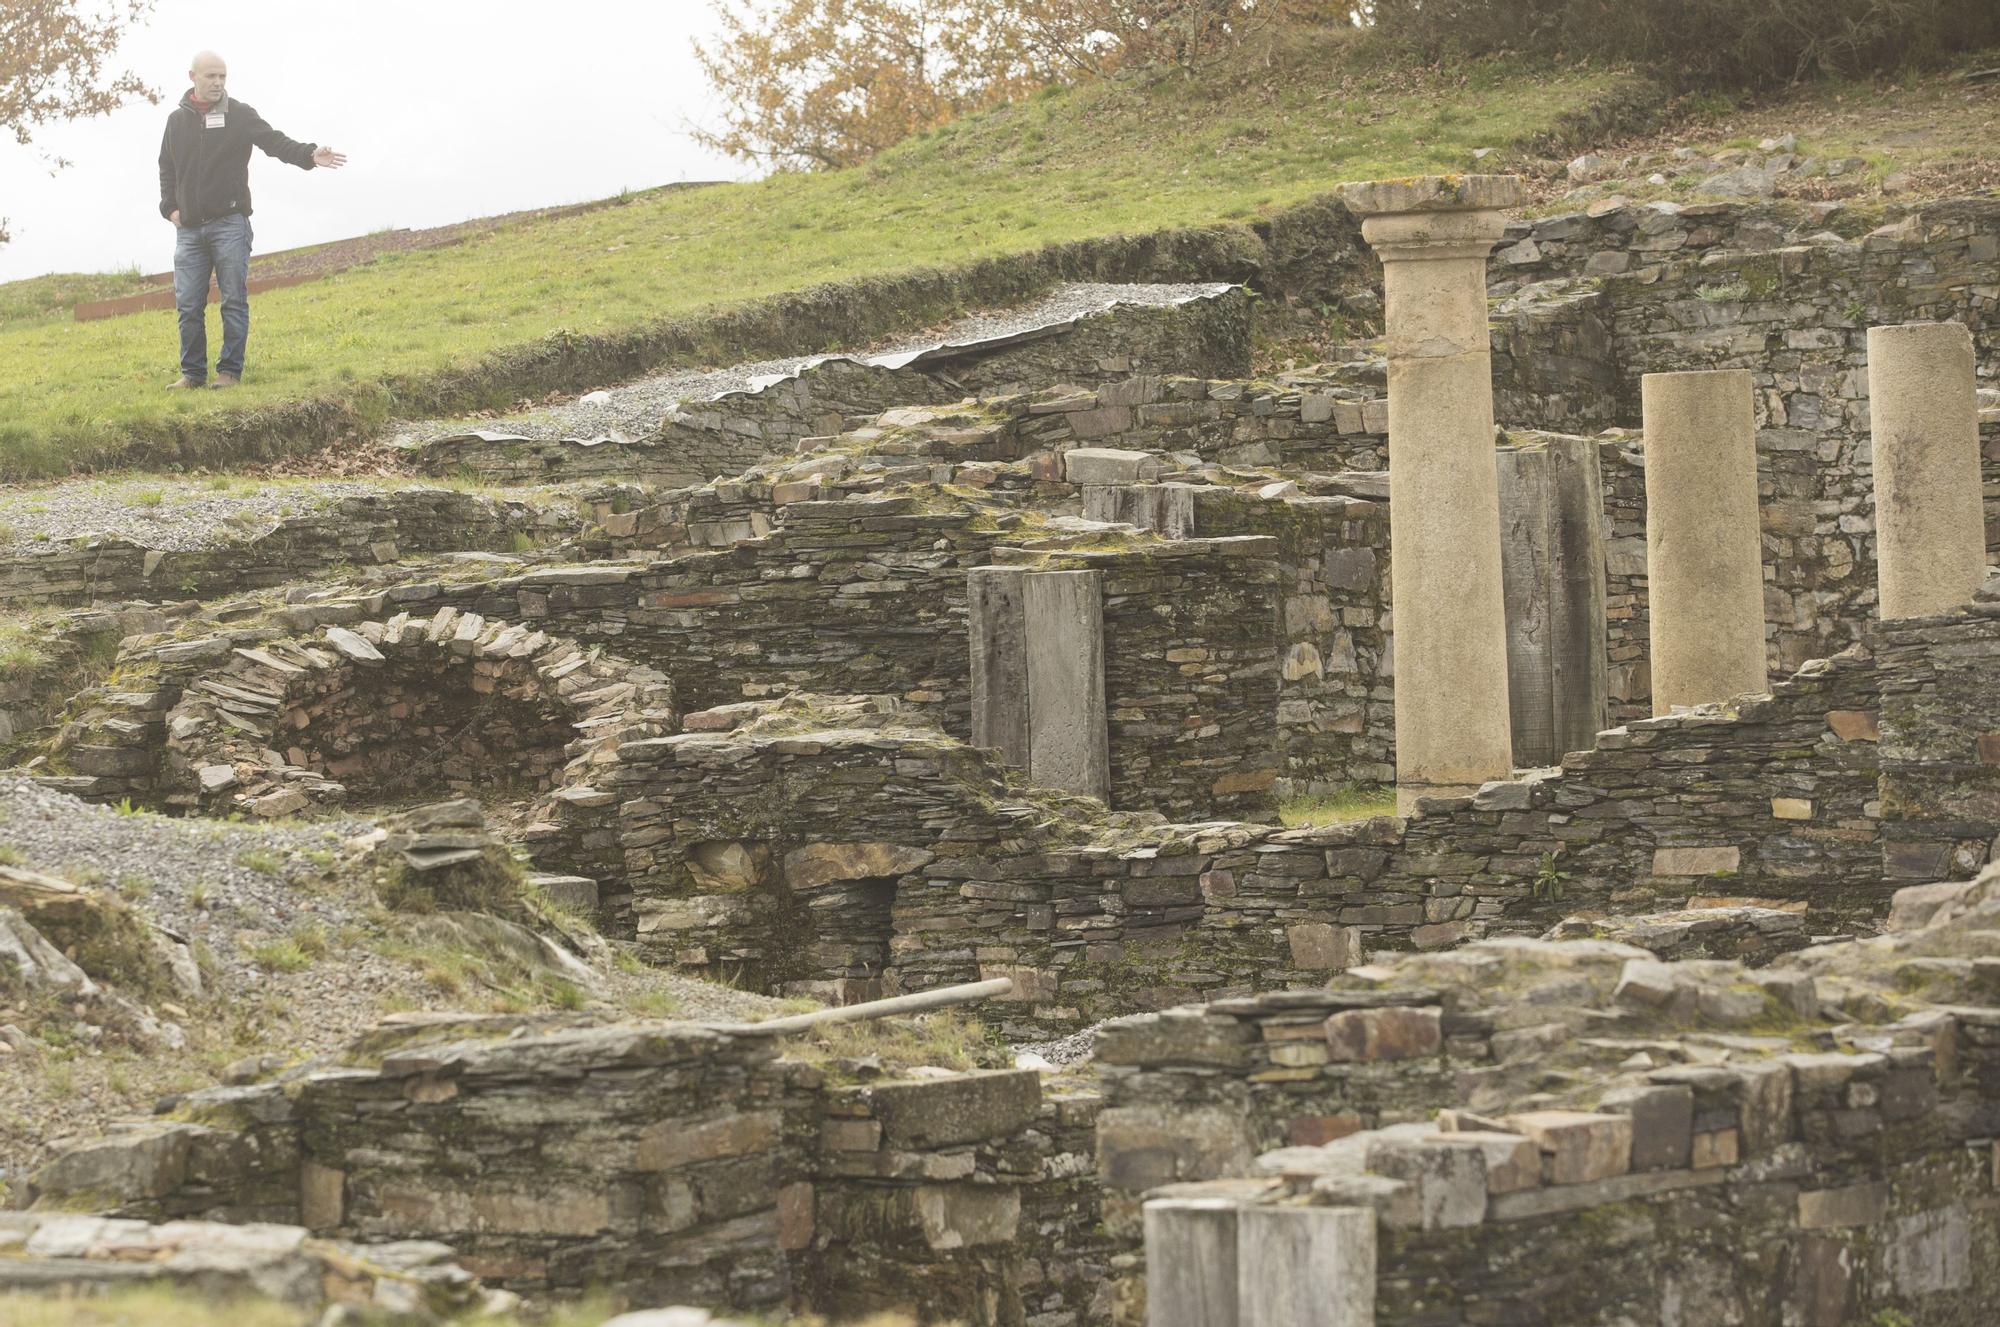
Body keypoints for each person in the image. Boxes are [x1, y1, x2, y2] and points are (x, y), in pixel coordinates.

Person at [156, 50, 346, 389]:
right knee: (188, 305)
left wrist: (308, 154)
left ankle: (229, 372)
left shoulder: (240, 115)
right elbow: (166, 168)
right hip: (188, 231)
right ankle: (193, 375)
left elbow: (275, 142)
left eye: (222, 77)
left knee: (232, 300)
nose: (217, 83)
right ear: (192, 78)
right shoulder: (176, 121)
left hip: (230, 224)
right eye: (210, 76)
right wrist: (170, 209)